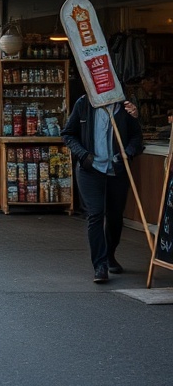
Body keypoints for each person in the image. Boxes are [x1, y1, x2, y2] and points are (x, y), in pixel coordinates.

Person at [62, 95, 142, 283]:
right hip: (91, 169)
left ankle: (110, 254)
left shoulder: (126, 107)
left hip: (117, 169)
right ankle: (100, 265)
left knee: (114, 216)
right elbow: (68, 133)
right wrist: (83, 155)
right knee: (96, 214)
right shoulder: (83, 103)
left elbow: (137, 137)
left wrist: (127, 152)